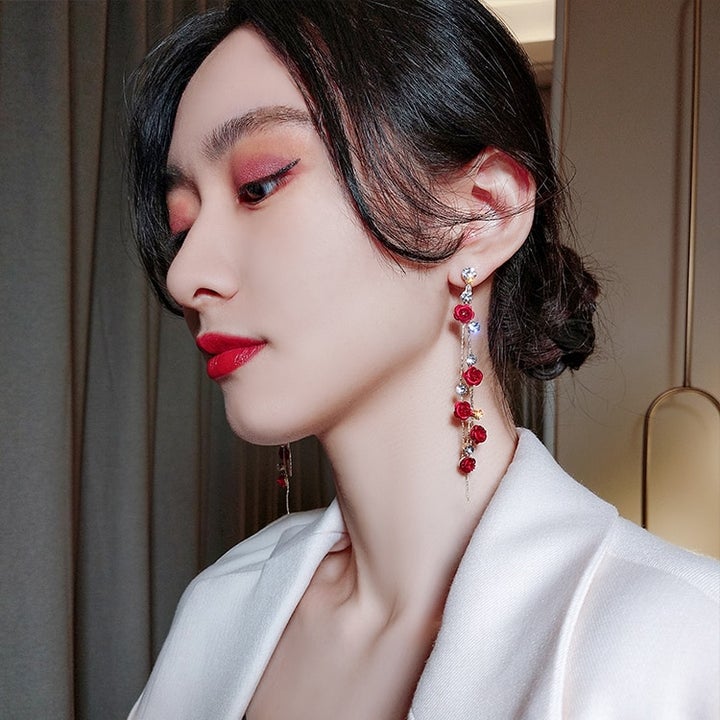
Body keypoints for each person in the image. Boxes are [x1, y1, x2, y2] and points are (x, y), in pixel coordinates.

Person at [125, 1, 720, 718]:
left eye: (259, 185)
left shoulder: (684, 644)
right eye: (183, 226)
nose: (184, 275)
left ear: (482, 213)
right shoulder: (220, 605)